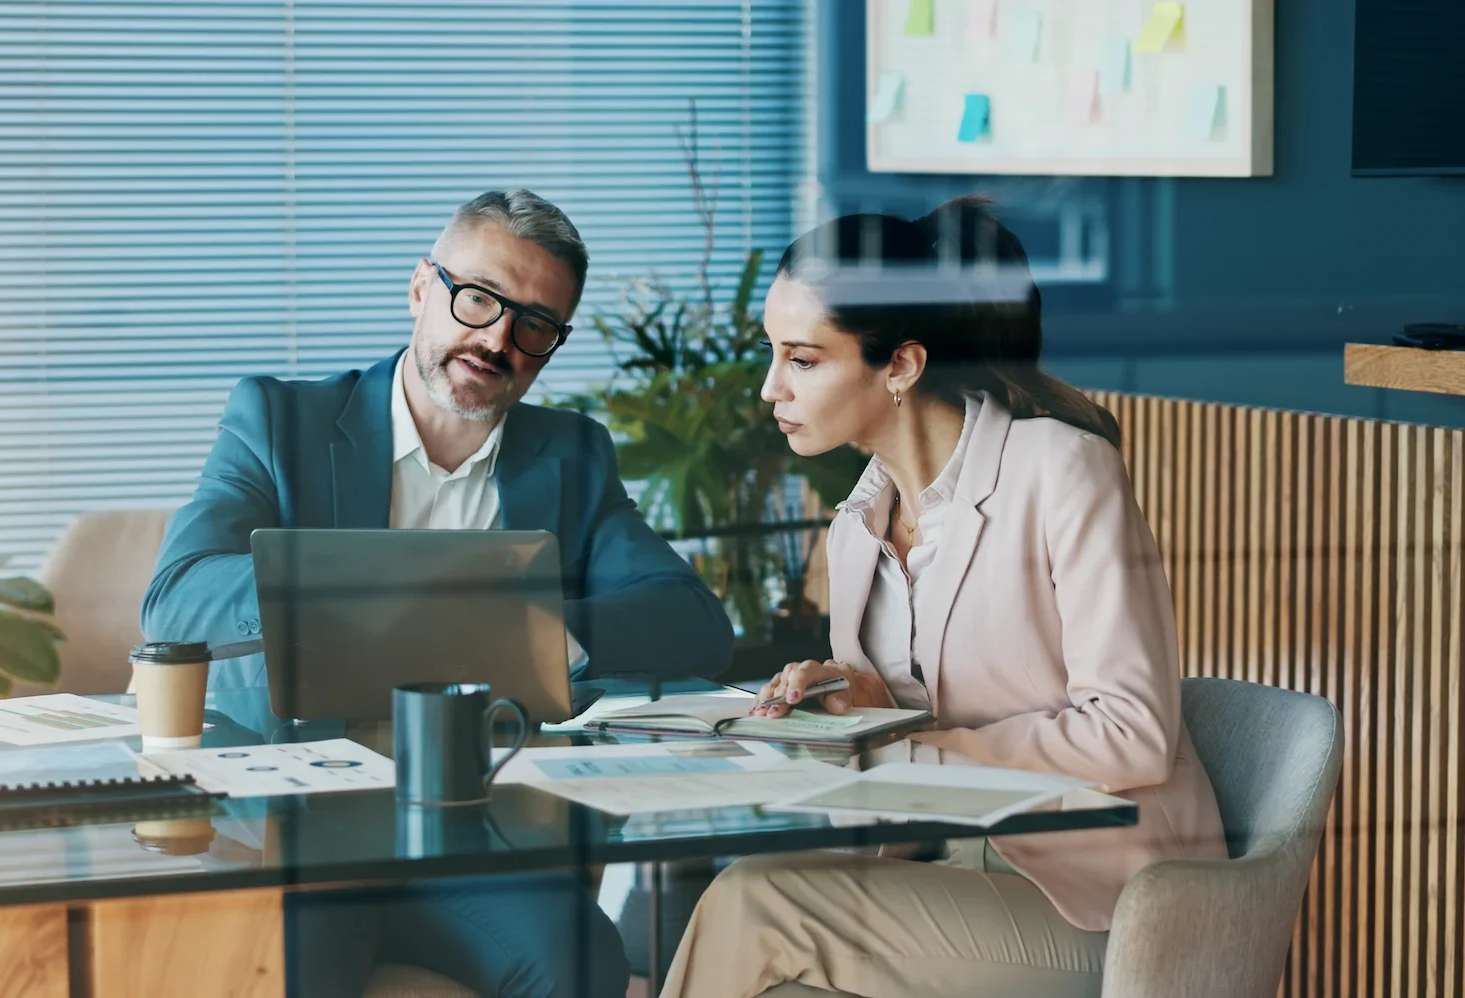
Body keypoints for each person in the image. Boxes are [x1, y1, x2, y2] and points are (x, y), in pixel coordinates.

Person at [143, 189, 733, 998]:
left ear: (551, 345)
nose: (497, 338)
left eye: (533, 324)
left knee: (581, 960)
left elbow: (691, 623)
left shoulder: (572, 455)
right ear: (423, 288)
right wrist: (376, 590)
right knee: (294, 962)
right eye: (479, 298)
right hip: (299, 821)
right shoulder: (280, 420)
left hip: (470, 829)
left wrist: (523, 624)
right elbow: (176, 600)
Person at [659, 201, 1229, 998]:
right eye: (772, 354)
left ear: (900, 365)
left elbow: (1131, 733)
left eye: (804, 359)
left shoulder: (1064, 470)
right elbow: (900, 760)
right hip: (940, 875)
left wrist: (911, 747)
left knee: (757, 899)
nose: (768, 388)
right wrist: (855, 707)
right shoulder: (856, 529)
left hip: (1109, 908)